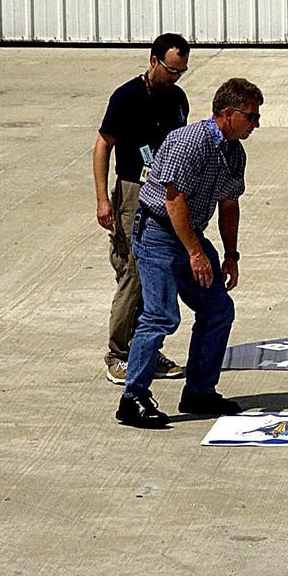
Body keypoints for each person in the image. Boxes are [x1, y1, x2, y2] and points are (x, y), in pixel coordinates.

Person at [116, 78, 264, 428]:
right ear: (227, 114)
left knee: (218, 310)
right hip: (157, 234)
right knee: (161, 316)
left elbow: (229, 205)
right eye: (251, 117)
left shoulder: (233, 153)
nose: (256, 124)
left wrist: (231, 255)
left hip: (190, 235)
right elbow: (173, 200)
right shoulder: (188, 143)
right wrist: (196, 254)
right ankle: (132, 397)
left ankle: (199, 391)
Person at [93, 33, 192, 385]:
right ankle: (118, 354)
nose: (175, 77)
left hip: (165, 191)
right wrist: (104, 198)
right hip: (133, 190)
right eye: (171, 70)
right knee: (133, 274)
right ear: (153, 61)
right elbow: (103, 144)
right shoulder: (127, 97)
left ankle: (146, 349)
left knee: (158, 273)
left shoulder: (178, 99)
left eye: (181, 71)